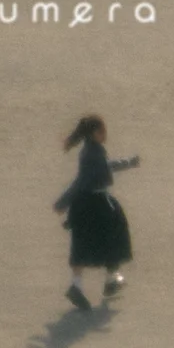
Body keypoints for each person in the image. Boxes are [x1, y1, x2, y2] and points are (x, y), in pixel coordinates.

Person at [53, 115, 139, 310]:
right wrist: (63, 201)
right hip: (95, 204)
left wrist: (128, 163)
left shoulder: (92, 151)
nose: (105, 134)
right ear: (94, 133)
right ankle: (106, 280)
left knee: (85, 244)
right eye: (102, 131)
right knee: (113, 237)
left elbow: (104, 167)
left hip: (88, 203)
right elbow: (81, 181)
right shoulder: (92, 153)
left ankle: (97, 282)